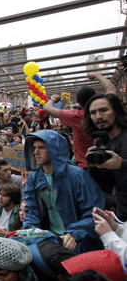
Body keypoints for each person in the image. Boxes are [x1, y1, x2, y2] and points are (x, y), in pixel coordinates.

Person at [23, 129, 105, 253]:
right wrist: (29, 232)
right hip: (50, 239)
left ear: (54, 149)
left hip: (79, 241)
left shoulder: (77, 175)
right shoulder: (33, 178)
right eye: (34, 148)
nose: (36, 152)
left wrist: (75, 233)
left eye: (42, 148)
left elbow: (93, 212)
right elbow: (31, 211)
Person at [83, 93, 127, 221]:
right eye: (93, 113)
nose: (98, 117)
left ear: (116, 110)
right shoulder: (100, 142)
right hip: (123, 210)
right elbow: (104, 185)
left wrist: (122, 164)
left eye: (104, 110)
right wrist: (93, 167)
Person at [43, 86, 97, 169]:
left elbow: (47, 108)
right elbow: (111, 90)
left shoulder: (77, 116)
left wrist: (53, 99)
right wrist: (97, 75)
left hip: (85, 165)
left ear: (78, 102)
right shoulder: (107, 112)